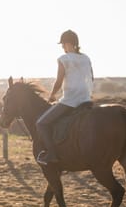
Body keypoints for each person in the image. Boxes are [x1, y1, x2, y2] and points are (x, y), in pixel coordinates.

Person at [36, 29, 94, 165]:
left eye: (62, 44)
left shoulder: (64, 59)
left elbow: (59, 80)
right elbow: (91, 77)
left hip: (70, 100)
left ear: (67, 43)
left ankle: (52, 154)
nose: (62, 47)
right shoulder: (86, 58)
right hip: (85, 99)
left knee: (41, 123)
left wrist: (51, 96)